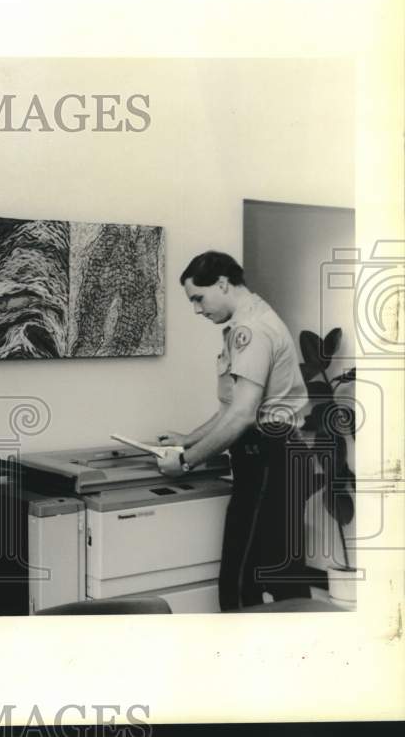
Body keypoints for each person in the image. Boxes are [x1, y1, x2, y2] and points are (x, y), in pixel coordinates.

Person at [155, 251, 312, 611]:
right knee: (283, 573)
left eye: (198, 298)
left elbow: (242, 417)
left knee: (239, 581)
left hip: (269, 458)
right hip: (277, 455)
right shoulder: (252, 318)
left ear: (223, 284)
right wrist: (187, 438)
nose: (197, 309)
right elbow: (231, 408)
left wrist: (186, 461)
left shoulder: (251, 330)